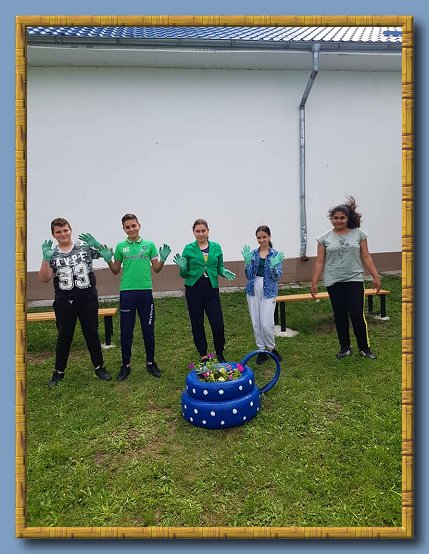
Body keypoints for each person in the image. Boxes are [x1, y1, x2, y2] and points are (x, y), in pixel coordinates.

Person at [39, 218, 113, 387]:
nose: (63, 234)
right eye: (58, 232)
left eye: (65, 230)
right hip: (64, 299)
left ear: (70, 230)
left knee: (91, 332)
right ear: (53, 234)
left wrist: (97, 244)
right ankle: (58, 372)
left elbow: (108, 253)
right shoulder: (52, 252)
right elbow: (44, 278)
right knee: (64, 335)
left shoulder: (83, 247)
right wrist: (45, 258)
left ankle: (99, 367)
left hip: (87, 296)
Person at [102, 213, 171, 381]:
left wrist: (162, 259)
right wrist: (108, 260)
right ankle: (125, 365)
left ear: (139, 225)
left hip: (145, 292)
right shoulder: (121, 247)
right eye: (127, 227)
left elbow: (156, 269)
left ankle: (151, 363)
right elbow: (115, 270)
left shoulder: (149, 245)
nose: (131, 229)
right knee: (126, 330)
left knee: (148, 329)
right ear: (123, 229)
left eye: (134, 225)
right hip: (127, 292)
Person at [311, 196, 381, 360]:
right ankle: (345, 347)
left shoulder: (359, 234)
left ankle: (364, 348)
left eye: (342, 218)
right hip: (333, 281)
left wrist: (375, 275)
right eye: (335, 218)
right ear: (331, 219)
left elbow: (366, 256)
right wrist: (314, 281)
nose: (338, 221)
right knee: (340, 315)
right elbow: (319, 261)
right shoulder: (324, 238)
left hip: (354, 279)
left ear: (348, 218)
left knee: (356, 314)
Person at [173, 218, 236, 364]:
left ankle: (219, 352)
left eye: (203, 230)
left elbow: (219, 266)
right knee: (197, 323)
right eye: (198, 231)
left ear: (208, 231)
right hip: (193, 289)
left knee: (218, 323)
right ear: (193, 232)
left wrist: (223, 271)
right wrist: (182, 268)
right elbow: (184, 274)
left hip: (211, 288)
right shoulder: (188, 249)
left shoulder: (216, 247)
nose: (201, 234)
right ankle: (203, 354)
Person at [242, 226, 285, 365]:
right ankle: (261, 350)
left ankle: (271, 348)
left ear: (269, 236)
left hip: (269, 290)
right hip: (253, 289)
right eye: (259, 238)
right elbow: (249, 275)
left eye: (264, 237)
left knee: (266, 323)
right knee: (256, 322)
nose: (261, 240)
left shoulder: (275, 255)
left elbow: (277, 277)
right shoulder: (253, 254)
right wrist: (247, 263)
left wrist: (273, 267)